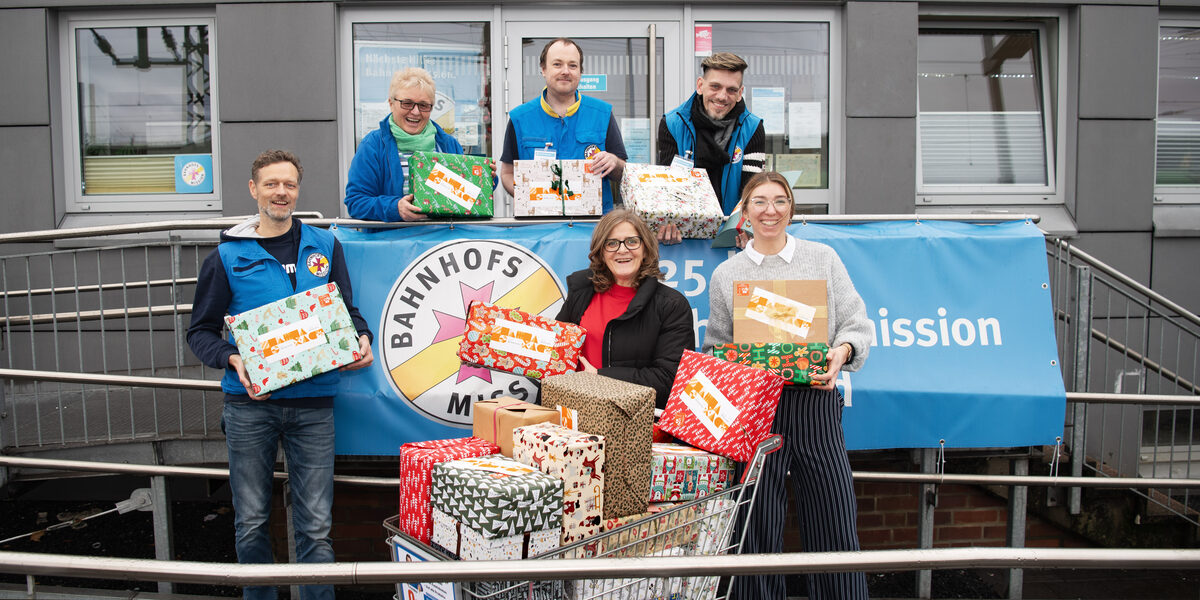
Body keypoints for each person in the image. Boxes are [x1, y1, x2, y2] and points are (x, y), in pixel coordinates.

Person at [188, 149, 374, 600]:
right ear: (254, 190)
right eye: (271, 184)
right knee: (251, 520)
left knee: (315, 525)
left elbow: (344, 310)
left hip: (314, 406)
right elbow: (201, 331)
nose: (281, 192)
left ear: (298, 190)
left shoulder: (326, 245)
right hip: (251, 407)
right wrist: (234, 358)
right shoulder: (227, 256)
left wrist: (361, 337)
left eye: (289, 184)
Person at [702, 171, 871, 600]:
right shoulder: (728, 273)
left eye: (779, 201)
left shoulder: (823, 258)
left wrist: (843, 351)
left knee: (832, 511)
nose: (770, 211)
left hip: (815, 399)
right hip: (758, 406)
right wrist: (730, 367)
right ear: (744, 211)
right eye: (759, 201)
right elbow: (719, 346)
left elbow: (855, 323)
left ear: (792, 209)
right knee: (756, 517)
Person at [555, 209, 695, 408]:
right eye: (611, 243)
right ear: (601, 253)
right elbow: (555, 350)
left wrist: (600, 377)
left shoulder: (671, 306)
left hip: (630, 422)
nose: (622, 250)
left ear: (645, 248)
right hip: (572, 411)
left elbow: (669, 380)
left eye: (631, 241)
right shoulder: (581, 292)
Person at [500, 38, 628, 213]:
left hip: (593, 229)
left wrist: (614, 162)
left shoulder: (602, 114)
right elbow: (507, 173)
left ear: (580, 72)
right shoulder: (519, 118)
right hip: (538, 227)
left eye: (573, 65)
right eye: (557, 64)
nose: (565, 71)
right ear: (544, 69)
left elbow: (623, 173)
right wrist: (528, 197)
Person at [656, 52, 766, 244]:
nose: (722, 96)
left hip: (733, 236)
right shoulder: (673, 123)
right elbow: (669, 189)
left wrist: (748, 228)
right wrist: (668, 225)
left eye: (731, 90)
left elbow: (754, 189)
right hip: (685, 237)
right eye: (715, 86)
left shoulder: (753, 127)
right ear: (700, 86)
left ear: (740, 93)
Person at [345, 67, 465, 222]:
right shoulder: (373, 145)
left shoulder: (448, 145)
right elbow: (356, 202)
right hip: (392, 242)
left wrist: (486, 179)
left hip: (442, 240)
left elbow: (465, 198)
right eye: (407, 103)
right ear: (391, 103)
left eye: (423, 105)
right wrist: (395, 208)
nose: (415, 112)